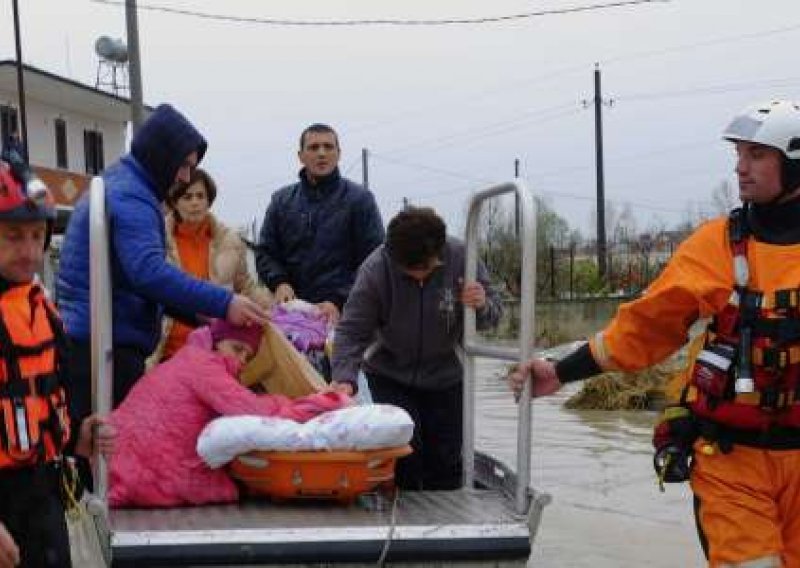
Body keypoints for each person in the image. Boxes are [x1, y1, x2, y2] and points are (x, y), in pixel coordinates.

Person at [509, 100, 800, 567]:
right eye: (738, 154)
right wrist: (561, 371)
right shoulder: (714, 246)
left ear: (793, 161)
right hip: (732, 459)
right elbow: (643, 329)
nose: (740, 168)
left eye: (757, 155)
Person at [56, 104, 269, 415]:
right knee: (116, 453)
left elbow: (134, 277)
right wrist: (224, 303)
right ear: (160, 156)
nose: (185, 177)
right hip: (105, 349)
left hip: (99, 340)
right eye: (182, 166)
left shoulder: (124, 186)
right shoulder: (132, 197)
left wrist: (202, 314)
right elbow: (148, 273)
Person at [330, 207, 501, 490]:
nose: (421, 278)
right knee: (407, 455)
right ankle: (404, 520)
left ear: (440, 253)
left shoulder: (462, 259)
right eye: (412, 272)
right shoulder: (375, 271)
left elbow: (494, 317)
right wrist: (344, 379)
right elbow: (351, 331)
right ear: (394, 258)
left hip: (447, 374)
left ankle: (447, 523)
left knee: (446, 461)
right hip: (390, 372)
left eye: (427, 270)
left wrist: (481, 305)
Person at [0, 152, 113, 567]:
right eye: (13, 235)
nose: (29, 251)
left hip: (43, 496)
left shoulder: (42, 310)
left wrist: (77, 436)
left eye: (36, 235)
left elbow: (45, 396)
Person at [109, 320, 348, 508]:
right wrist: (319, 403)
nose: (242, 361)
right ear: (216, 340)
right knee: (247, 485)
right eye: (237, 348)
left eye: (248, 356)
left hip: (120, 470)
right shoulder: (204, 366)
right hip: (159, 479)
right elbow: (258, 415)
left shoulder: (183, 361)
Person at [256, 123, 384, 326]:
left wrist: (338, 300)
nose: (322, 153)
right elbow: (265, 252)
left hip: (346, 317)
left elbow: (374, 260)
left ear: (339, 153)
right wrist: (279, 282)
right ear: (301, 156)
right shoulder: (281, 201)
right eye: (314, 147)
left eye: (328, 147)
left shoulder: (360, 200)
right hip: (291, 315)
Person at [149, 167, 272, 364]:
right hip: (166, 350)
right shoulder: (155, 240)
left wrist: (278, 308)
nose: (195, 203)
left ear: (209, 200)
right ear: (174, 202)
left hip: (216, 350)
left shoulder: (230, 241)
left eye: (201, 196)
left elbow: (246, 287)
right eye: (187, 197)